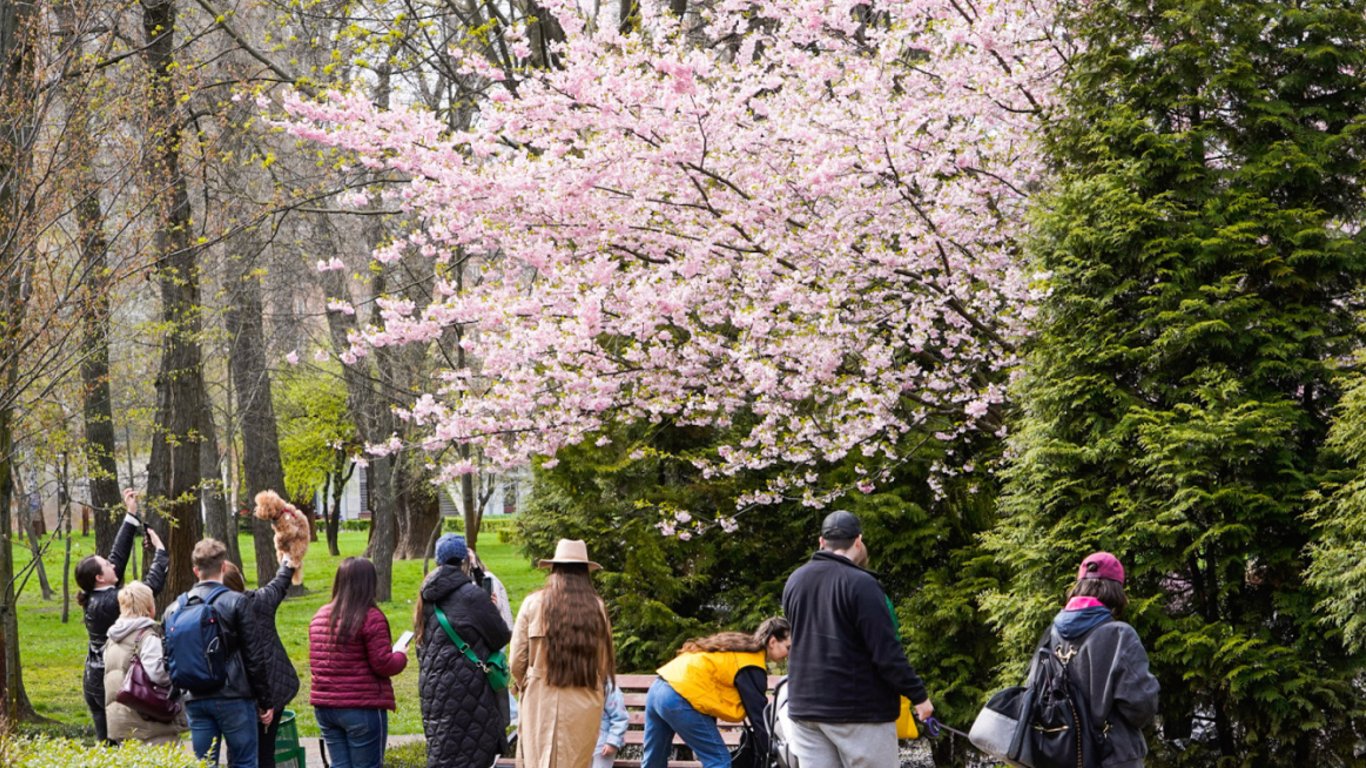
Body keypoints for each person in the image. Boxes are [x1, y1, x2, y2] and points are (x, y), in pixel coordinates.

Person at [781, 510, 934, 768]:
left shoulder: (795, 580)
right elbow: (886, 653)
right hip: (857, 710)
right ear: (858, 541)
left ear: (821, 542)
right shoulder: (862, 584)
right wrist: (919, 696)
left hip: (804, 709)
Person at [1042, 552, 1160, 768]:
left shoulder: (1051, 634)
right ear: (1116, 590)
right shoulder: (1120, 635)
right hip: (1114, 756)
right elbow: (1141, 707)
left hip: (1061, 755)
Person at [164, 538, 272, 767]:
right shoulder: (237, 602)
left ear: (195, 570)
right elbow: (254, 656)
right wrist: (265, 700)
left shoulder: (173, 609)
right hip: (234, 695)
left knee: (204, 763)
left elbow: (169, 657)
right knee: (244, 761)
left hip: (194, 697)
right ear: (223, 567)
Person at [511, 538, 616, 768]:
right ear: (585, 572)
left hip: (540, 698)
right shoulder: (597, 607)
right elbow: (602, 663)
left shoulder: (532, 603)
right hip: (584, 699)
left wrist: (528, 683)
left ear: (554, 568)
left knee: (537, 762)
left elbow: (516, 662)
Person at [78, 488, 167, 743]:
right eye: (105, 565)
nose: (111, 563)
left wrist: (131, 514)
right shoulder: (108, 601)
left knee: (109, 744)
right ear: (99, 577)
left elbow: (117, 556)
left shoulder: (96, 595)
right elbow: (149, 589)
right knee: (114, 746)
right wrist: (161, 553)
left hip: (95, 681)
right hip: (106, 685)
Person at [416, 533, 514, 767]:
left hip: (435, 692)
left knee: (445, 754)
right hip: (470, 690)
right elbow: (501, 636)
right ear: (464, 561)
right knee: (472, 755)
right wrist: (491, 608)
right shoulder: (471, 595)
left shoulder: (426, 596)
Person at [642, 617, 791, 768]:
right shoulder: (751, 664)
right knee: (719, 762)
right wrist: (772, 755)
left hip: (658, 688)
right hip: (678, 696)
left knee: (654, 762)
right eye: (788, 647)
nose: (789, 654)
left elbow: (708, 687)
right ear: (772, 642)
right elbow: (758, 718)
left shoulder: (736, 649)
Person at [309, 557, 408, 768]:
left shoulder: (320, 616)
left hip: (326, 707)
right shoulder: (370, 617)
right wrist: (400, 654)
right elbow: (383, 664)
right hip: (361, 708)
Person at [222, 556, 300, 768]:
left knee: (238, 753)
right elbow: (280, 581)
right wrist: (287, 559)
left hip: (240, 693)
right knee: (266, 752)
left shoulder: (218, 613)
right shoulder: (260, 601)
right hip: (272, 688)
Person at [102, 580, 187, 744]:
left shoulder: (112, 638)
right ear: (150, 608)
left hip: (119, 719)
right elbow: (159, 674)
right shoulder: (147, 637)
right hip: (148, 720)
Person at [593, 681, 629, 768]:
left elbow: (620, 718)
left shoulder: (607, 686)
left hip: (602, 746)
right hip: (581, 745)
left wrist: (612, 742)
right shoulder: (574, 684)